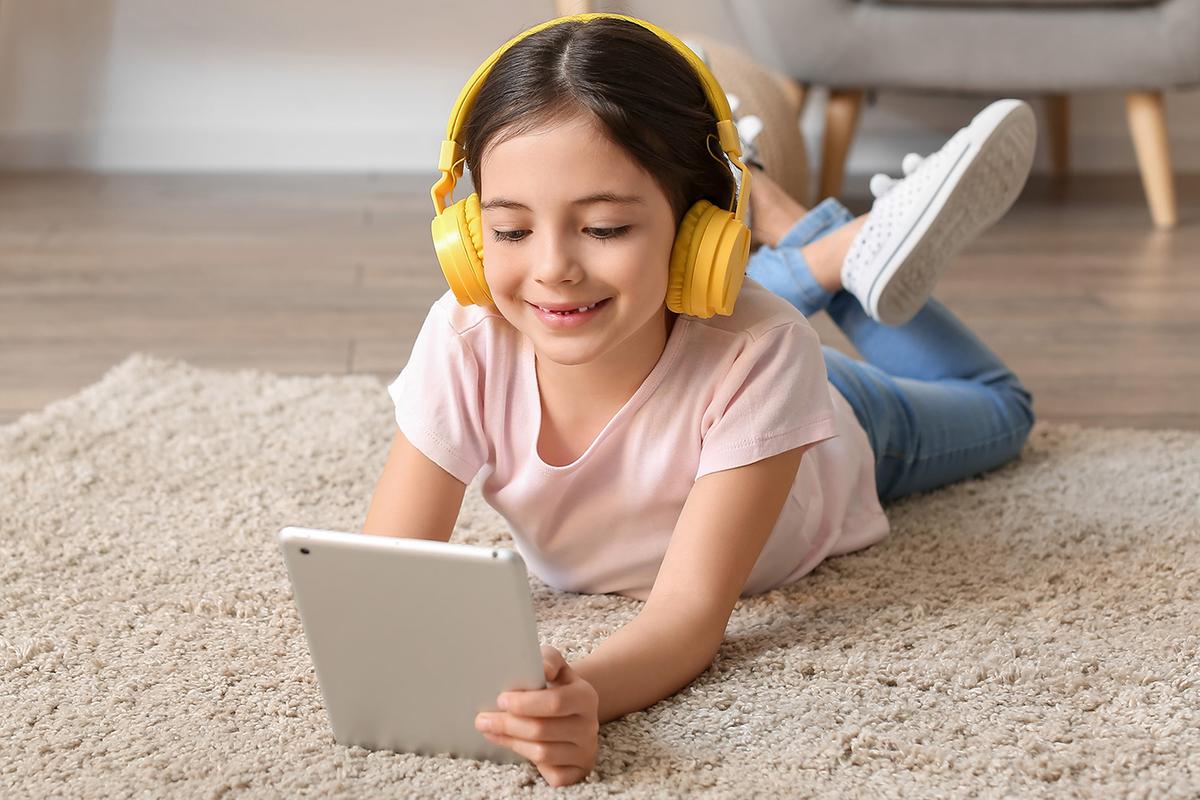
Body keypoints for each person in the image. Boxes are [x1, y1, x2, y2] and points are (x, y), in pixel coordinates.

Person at [363, 13, 1037, 788]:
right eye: (510, 230)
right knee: (666, 305)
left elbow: (686, 621)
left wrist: (584, 692)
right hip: (695, 334)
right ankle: (826, 250)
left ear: (699, 235)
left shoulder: (765, 351)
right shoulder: (465, 337)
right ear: (469, 237)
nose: (552, 268)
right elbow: (389, 574)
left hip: (832, 428)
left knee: (1002, 408)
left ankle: (817, 237)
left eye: (605, 226)